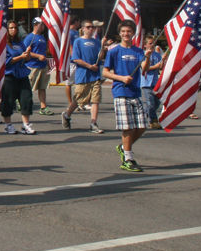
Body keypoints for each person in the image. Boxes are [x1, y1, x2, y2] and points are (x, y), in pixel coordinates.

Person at [102, 20, 150, 172]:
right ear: (120, 33)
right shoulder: (114, 51)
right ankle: (128, 158)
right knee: (127, 128)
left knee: (142, 126)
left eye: (128, 31)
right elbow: (105, 72)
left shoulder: (138, 51)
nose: (126, 34)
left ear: (133, 33)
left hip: (135, 92)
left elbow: (145, 68)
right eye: (123, 31)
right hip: (121, 91)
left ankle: (123, 147)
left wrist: (147, 56)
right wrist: (121, 78)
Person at [62, 20, 104, 133]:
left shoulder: (97, 42)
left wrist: (103, 48)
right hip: (83, 75)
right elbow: (75, 59)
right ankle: (67, 114)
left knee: (95, 100)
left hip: (95, 76)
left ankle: (93, 123)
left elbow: (100, 57)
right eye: (88, 27)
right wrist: (89, 66)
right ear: (83, 28)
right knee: (78, 100)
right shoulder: (78, 41)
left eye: (92, 27)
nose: (91, 29)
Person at [1, 21, 36, 134]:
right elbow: (6, 62)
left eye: (15, 27)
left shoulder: (20, 43)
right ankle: (8, 125)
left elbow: (26, 59)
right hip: (9, 75)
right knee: (8, 102)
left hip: (22, 75)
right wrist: (21, 57)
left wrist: (27, 55)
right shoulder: (4, 44)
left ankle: (26, 125)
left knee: (26, 99)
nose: (14, 30)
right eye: (11, 28)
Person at [24, 17, 52, 115]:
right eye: (41, 24)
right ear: (36, 25)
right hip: (32, 66)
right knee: (28, 88)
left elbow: (44, 51)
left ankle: (43, 107)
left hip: (43, 66)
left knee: (42, 87)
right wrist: (38, 56)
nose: (43, 26)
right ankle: (22, 103)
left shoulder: (43, 37)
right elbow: (25, 52)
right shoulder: (29, 38)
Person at [139, 34, 164, 129]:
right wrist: (156, 66)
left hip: (155, 82)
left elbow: (160, 68)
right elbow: (145, 68)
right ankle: (153, 120)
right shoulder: (143, 54)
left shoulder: (157, 55)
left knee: (157, 102)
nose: (152, 45)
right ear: (145, 45)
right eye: (150, 43)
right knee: (150, 103)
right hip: (145, 82)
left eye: (153, 43)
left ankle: (143, 115)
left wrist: (163, 61)